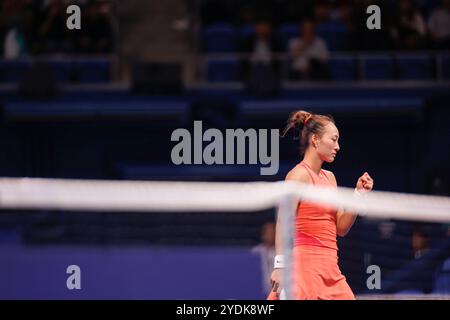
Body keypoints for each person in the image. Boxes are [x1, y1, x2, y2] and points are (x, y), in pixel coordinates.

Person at [269, 110, 374, 300]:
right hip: (304, 267)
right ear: (315, 140)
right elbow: (283, 223)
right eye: (333, 140)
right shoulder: (298, 175)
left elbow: (341, 228)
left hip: (331, 269)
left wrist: (358, 195)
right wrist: (279, 266)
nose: (338, 146)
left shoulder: (330, 178)